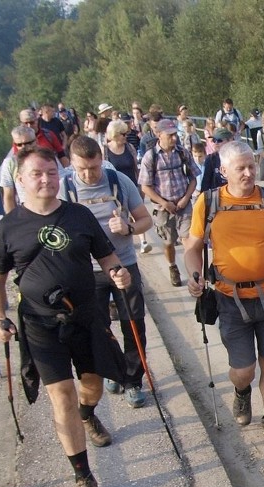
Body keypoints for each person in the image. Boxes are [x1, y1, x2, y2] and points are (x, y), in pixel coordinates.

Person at [0, 147, 132, 487]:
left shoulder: (79, 215)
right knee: (61, 396)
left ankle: (88, 413)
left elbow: (108, 257)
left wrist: (119, 273)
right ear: (20, 180)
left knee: (92, 386)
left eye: (51, 172)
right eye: (36, 174)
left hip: (86, 317)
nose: (46, 180)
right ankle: (83, 477)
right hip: (39, 324)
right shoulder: (8, 226)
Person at [184, 141, 264, 448]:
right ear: (223, 171)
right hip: (229, 299)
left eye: (252, 166)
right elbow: (193, 248)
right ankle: (241, 391)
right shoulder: (208, 203)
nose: (249, 173)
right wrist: (194, 276)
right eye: (241, 168)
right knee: (243, 370)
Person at [60, 136, 155, 407]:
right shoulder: (63, 190)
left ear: (102, 159)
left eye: (94, 167)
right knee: (99, 328)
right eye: (82, 169)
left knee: (133, 322)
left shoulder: (119, 183)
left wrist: (128, 228)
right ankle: (114, 370)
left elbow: (145, 219)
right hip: (86, 271)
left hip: (123, 263)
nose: (89, 175)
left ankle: (134, 379)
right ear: (72, 165)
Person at [139, 118, 200, 287]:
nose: (174, 139)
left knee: (188, 239)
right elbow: (145, 186)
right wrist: (164, 203)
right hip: (163, 208)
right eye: (170, 135)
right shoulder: (150, 156)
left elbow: (194, 177)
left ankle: (193, 276)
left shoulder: (182, 153)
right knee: (168, 242)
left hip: (183, 204)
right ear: (159, 135)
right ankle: (173, 266)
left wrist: (186, 198)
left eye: (175, 135)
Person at [105, 119, 151, 255]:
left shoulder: (129, 148)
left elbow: (137, 168)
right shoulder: (105, 150)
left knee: (138, 213)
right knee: (122, 216)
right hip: (114, 190)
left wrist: (141, 185)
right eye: (123, 134)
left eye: (126, 133)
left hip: (132, 185)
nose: (126, 136)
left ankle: (143, 241)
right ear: (115, 134)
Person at [0, 125, 38, 213]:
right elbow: (8, 196)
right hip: (25, 214)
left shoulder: (47, 159)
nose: (24, 147)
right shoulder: (10, 163)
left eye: (28, 143)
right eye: (19, 144)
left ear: (36, 141)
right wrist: (13, 221)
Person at [199, 127, 234, 192]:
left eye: (219, 140)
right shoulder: (211, 159)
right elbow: (205, 182)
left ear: (230, 141)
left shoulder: (237, 158)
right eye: (214, 140)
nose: (216, 143)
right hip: (217, 197)